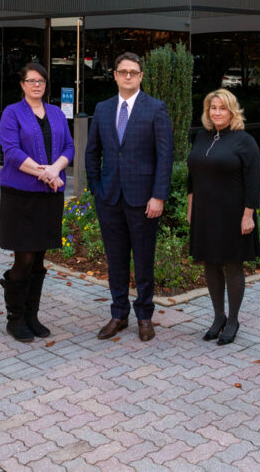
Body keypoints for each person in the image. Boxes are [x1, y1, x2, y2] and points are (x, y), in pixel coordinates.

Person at [85, 51, 174, 341]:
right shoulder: (102, 109)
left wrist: (158, 195)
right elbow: (92, 152)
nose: (127, 76)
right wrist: (96, 189)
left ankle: (144, 316)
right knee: (116, 259)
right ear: (114, 75)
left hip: (143, 200)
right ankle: (118, 314)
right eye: (122, 71)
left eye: (133, 72)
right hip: (109, 198)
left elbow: (165, 156)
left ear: (141, 76)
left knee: (144, 260)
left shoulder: (156, 109)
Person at [0, 62, 74, 342]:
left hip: (49, 197)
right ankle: (15, 318)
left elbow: (69, 146)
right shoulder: (11, 113)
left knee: (40, 258)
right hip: (21, 196)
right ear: (22, 84)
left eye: (41, 81)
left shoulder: (55, 113)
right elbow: (11, 152)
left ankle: (32, 316)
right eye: (31, 80)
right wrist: (46, 173)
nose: (36, 85)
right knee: (25, 257)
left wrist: (56, 169)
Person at [187, 89, 260, 345]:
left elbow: (253, 182)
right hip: (205, 212)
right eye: (212, 108)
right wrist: (190, 207)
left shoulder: (244, 140)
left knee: (232, 265)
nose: (217, 112)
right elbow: (192, 175)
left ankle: (233, 319)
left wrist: (248, 215)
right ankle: (218, 317)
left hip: (233, 213)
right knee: (210, 263)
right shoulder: (202, 136)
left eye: (222, 108)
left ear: (232, 111)